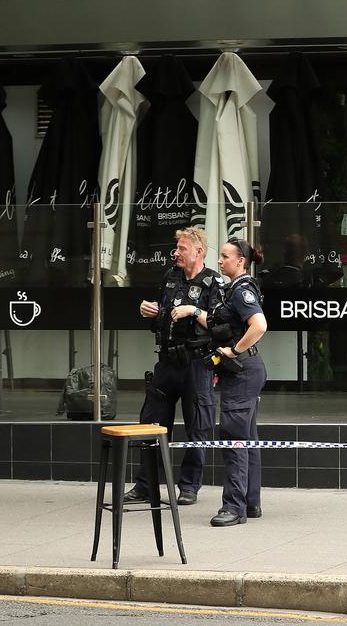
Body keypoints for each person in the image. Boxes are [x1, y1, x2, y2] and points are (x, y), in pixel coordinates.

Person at [123, 226, 222, 506]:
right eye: (176, 248)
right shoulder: (169, 276)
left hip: (196, 363)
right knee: (151, 423)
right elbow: (161, 317)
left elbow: (220, 325)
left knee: (198, 426)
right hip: (166, 362)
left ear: (199, 251)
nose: (176, 253)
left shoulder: (213, 283)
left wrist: (194, 311)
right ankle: (145, 485)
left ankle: (189, 486)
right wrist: (149, 311)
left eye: (182, 249)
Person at [205, 237, 268, 527]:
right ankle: (250, 502)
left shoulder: (242, 290)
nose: (219, 261)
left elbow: (259, 325)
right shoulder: (232, 289)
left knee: (234, 440)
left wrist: (234, 350)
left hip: (242, 370)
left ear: (240, 261)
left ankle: (233, 507)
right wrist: (194, 312)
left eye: (225, 256)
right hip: (244, 371)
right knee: (247, 439)